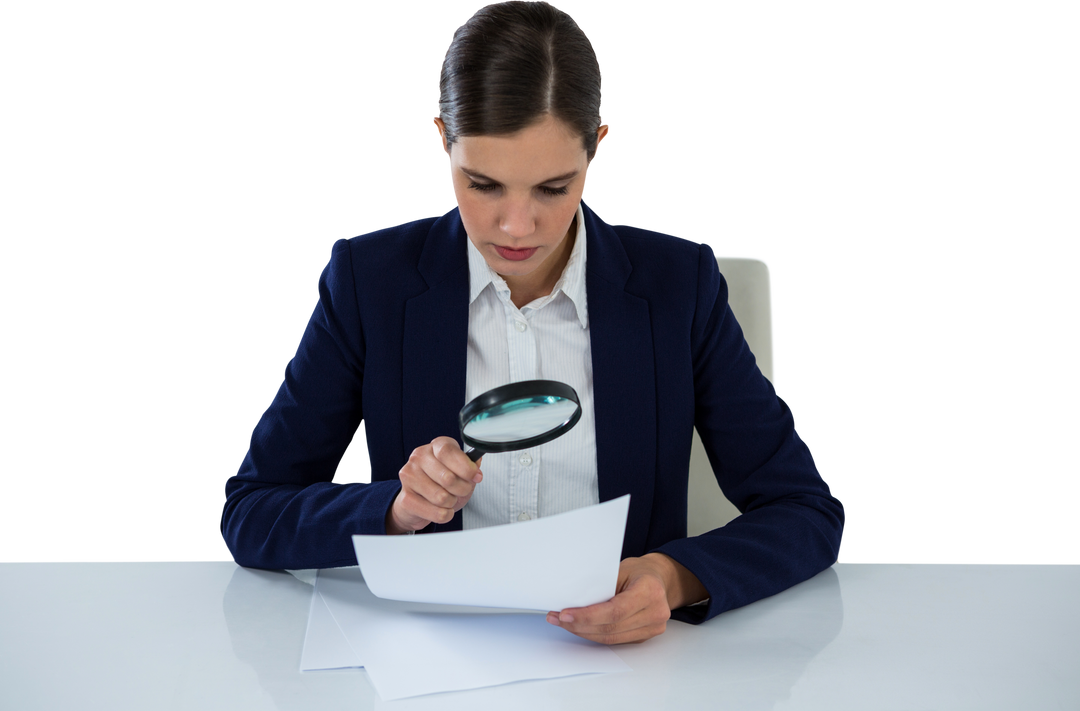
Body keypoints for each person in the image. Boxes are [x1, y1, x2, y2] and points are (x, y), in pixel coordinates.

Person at [218, 0, 847, 645]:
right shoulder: (370, 280)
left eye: (552, 188)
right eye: (483, 184)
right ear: (442, 141)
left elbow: (806, 511)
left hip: (628, 669)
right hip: (431, 659)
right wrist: (394, 510)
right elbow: (250, 510)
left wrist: (673, 576)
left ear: (597, 147)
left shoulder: (676, 284)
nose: (517, 228)